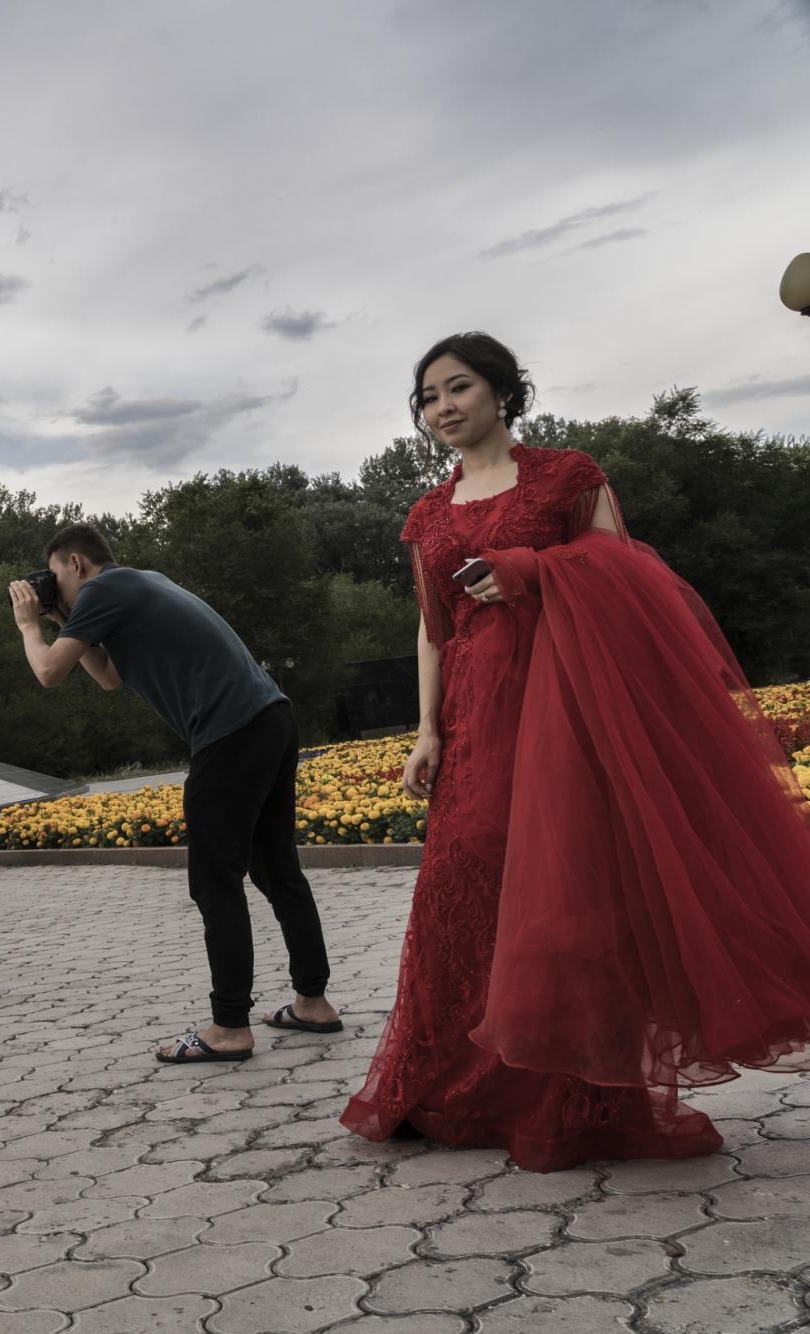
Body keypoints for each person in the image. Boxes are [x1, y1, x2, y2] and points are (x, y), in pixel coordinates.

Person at [341, 332, 810, 1171]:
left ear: (503, 392)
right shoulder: (428, 513)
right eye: (428, 397)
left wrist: (533, 567)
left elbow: (630, 575)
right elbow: (431, 625)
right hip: (477, 714)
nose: (442, 407)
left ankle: (574, 1099)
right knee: (465, 881)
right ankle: (453, 1085)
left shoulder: (567, 475)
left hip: (571, 705)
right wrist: (427, 730)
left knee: (573, 889)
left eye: (458, 387)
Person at [13, 523, 340, 1063]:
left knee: (215, 883)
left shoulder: (102, 589)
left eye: (53, 577)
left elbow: (48, 671)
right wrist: (64, 621)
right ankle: (313, 1002)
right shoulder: (137, 581)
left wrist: (29, 625)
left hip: (229, 732)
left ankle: (229, 1027)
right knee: (276, 870)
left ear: (75, 563)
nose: (52, 588)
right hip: (270, 718)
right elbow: (109, 677)